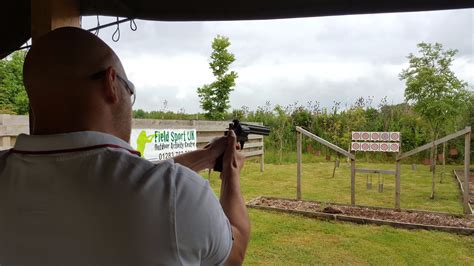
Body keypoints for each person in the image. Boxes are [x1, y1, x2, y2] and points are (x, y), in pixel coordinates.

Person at [0, 27, 250, 265]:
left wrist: (207, 156)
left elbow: (132, 177)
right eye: (129, 91)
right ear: (111, 83)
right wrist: (231, 172)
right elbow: (234, 252)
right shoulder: (180, 194)